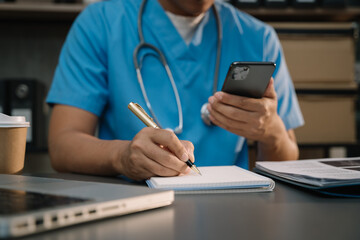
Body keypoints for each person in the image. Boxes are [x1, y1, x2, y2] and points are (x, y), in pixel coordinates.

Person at [46, 0, 304, 181]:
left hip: (230, 211)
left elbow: (287, 158)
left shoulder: (258, 36)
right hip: (132, 207)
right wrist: (122, 157)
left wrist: (271, 132)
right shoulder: (100, 23)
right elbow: (62, 146)